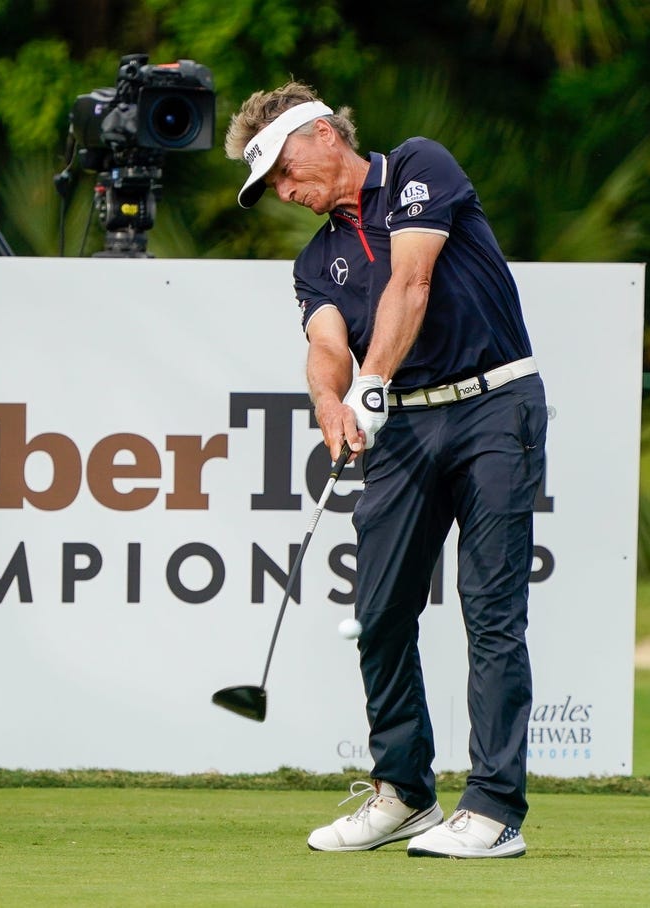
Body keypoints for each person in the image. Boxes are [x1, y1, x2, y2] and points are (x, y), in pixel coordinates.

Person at [225, 82, 547, 859]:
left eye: (282, 172)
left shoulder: (417, 167)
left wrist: (368, 384)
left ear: (322, 137)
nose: (284, 192)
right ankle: (403, 792)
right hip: (402, 426)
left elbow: (412, 282)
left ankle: (495, 808)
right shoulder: (318, 259)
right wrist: (334, 403)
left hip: (492, 406)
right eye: (271, 185)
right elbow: (325, 345)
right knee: (379, 611)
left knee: (491, 610)